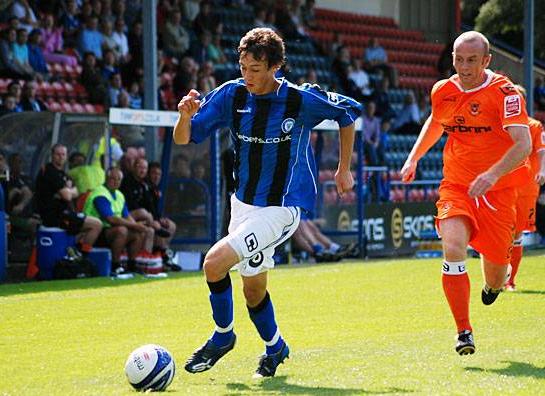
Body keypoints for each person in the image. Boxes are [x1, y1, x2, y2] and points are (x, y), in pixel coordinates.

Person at [173, 28, 361, 377]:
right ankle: (276, 348)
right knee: (253, 290)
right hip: (243, 206)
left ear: (275, 66)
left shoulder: (298, 99)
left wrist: (343, 169)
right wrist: (184, 117)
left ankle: (222, 336)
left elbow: (348, 112)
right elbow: (186, 138)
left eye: (255, 69)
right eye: (243, 67)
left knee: (214, 264)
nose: (248, 76)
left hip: (282, 207)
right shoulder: (231, 94)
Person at [400, 31, 532, 356]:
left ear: (487, 61)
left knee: (497, 276)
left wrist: (492, 174)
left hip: (497, 192)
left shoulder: (504, 93)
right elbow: (435, 122)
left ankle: (493, 285)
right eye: (459, 59)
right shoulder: (443, 90)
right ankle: (463, 331)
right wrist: (413, 157)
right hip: (457, 186)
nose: (463, 66)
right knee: (453, 248)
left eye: (471, 60)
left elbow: (523, 144)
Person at [506, 85, 545, 291]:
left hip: (526, 187)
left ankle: (510, 281)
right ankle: (496, 277)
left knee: (517, 234)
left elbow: (541, 151)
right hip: (503, 185)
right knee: (500, 233)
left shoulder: (534, 126)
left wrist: (543, 170)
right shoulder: (499, 124)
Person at [35, 144, 103, 256]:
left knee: (93, 225)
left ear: (66, 157)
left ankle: (75, 252)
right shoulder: (49, 170)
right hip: (55, 216)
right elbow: (68, 196)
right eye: (57, 154)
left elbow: (76, 191)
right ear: (52, 155)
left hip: (65, 213)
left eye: (63, 154)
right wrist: (68, 191)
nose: (60, 157)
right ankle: (81, 256)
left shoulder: (63, 173)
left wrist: (66, 192)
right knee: (96, 225)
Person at [83, 167, 148, 274]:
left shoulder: (119, 195)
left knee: (137, 232)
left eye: (118, 179)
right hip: (95, 232)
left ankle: (132, 266)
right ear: (106, 178)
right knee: (122, 230)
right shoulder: (100, 194)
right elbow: (111, 219)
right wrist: (134, 225)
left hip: (110, 232)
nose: (116, 181)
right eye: (113, 178)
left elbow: (127, 216)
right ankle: (115, 266)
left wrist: (137, 226)